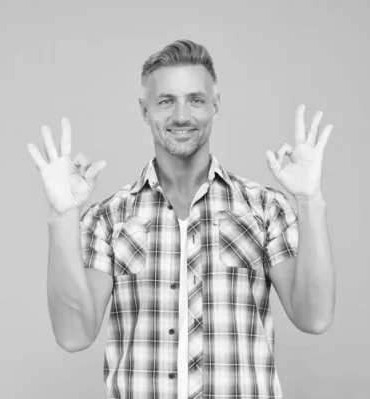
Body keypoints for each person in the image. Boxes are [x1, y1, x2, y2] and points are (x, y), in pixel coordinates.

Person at [27, 39, 335, 399]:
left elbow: (314, 317)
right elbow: (73, 334)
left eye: (196, 99)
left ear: (215, 105)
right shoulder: (108, 218)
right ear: (145, 110)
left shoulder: (265, 209)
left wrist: (309, 199)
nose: (181, 115)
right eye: (165, 101)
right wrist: (62, 214)